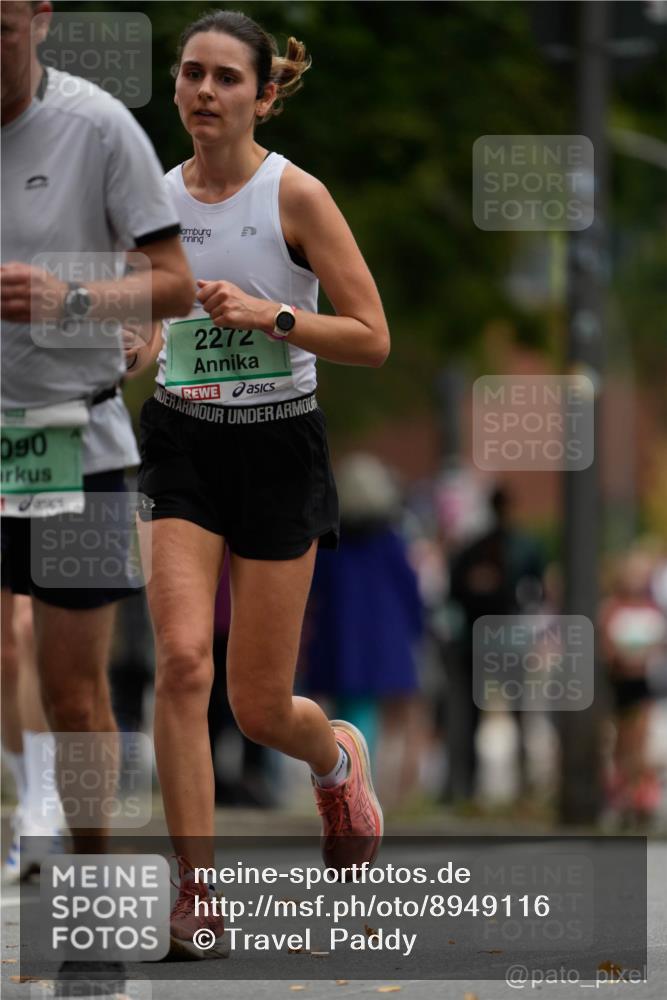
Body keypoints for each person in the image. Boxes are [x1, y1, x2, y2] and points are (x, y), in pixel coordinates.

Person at [132, 9, 389, 959]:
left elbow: (371, 336)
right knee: (182, 663)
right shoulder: (150, 198)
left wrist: (274, 315)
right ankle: (196, 894)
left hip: (281, 447)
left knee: (259, 706)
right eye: (190, 74)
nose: (203, 91)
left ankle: (336, 760)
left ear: (262, 94)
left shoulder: (298, 197)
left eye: (225, 78)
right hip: (183, 445)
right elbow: (154, 323)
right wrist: (137, 341)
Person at [1, 0, 193, 990]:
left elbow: (171, 282)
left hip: (71, 438)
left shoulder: (97, 126)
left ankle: (88, 900)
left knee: (77, 688)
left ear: (38, 17)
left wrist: (69, 297)